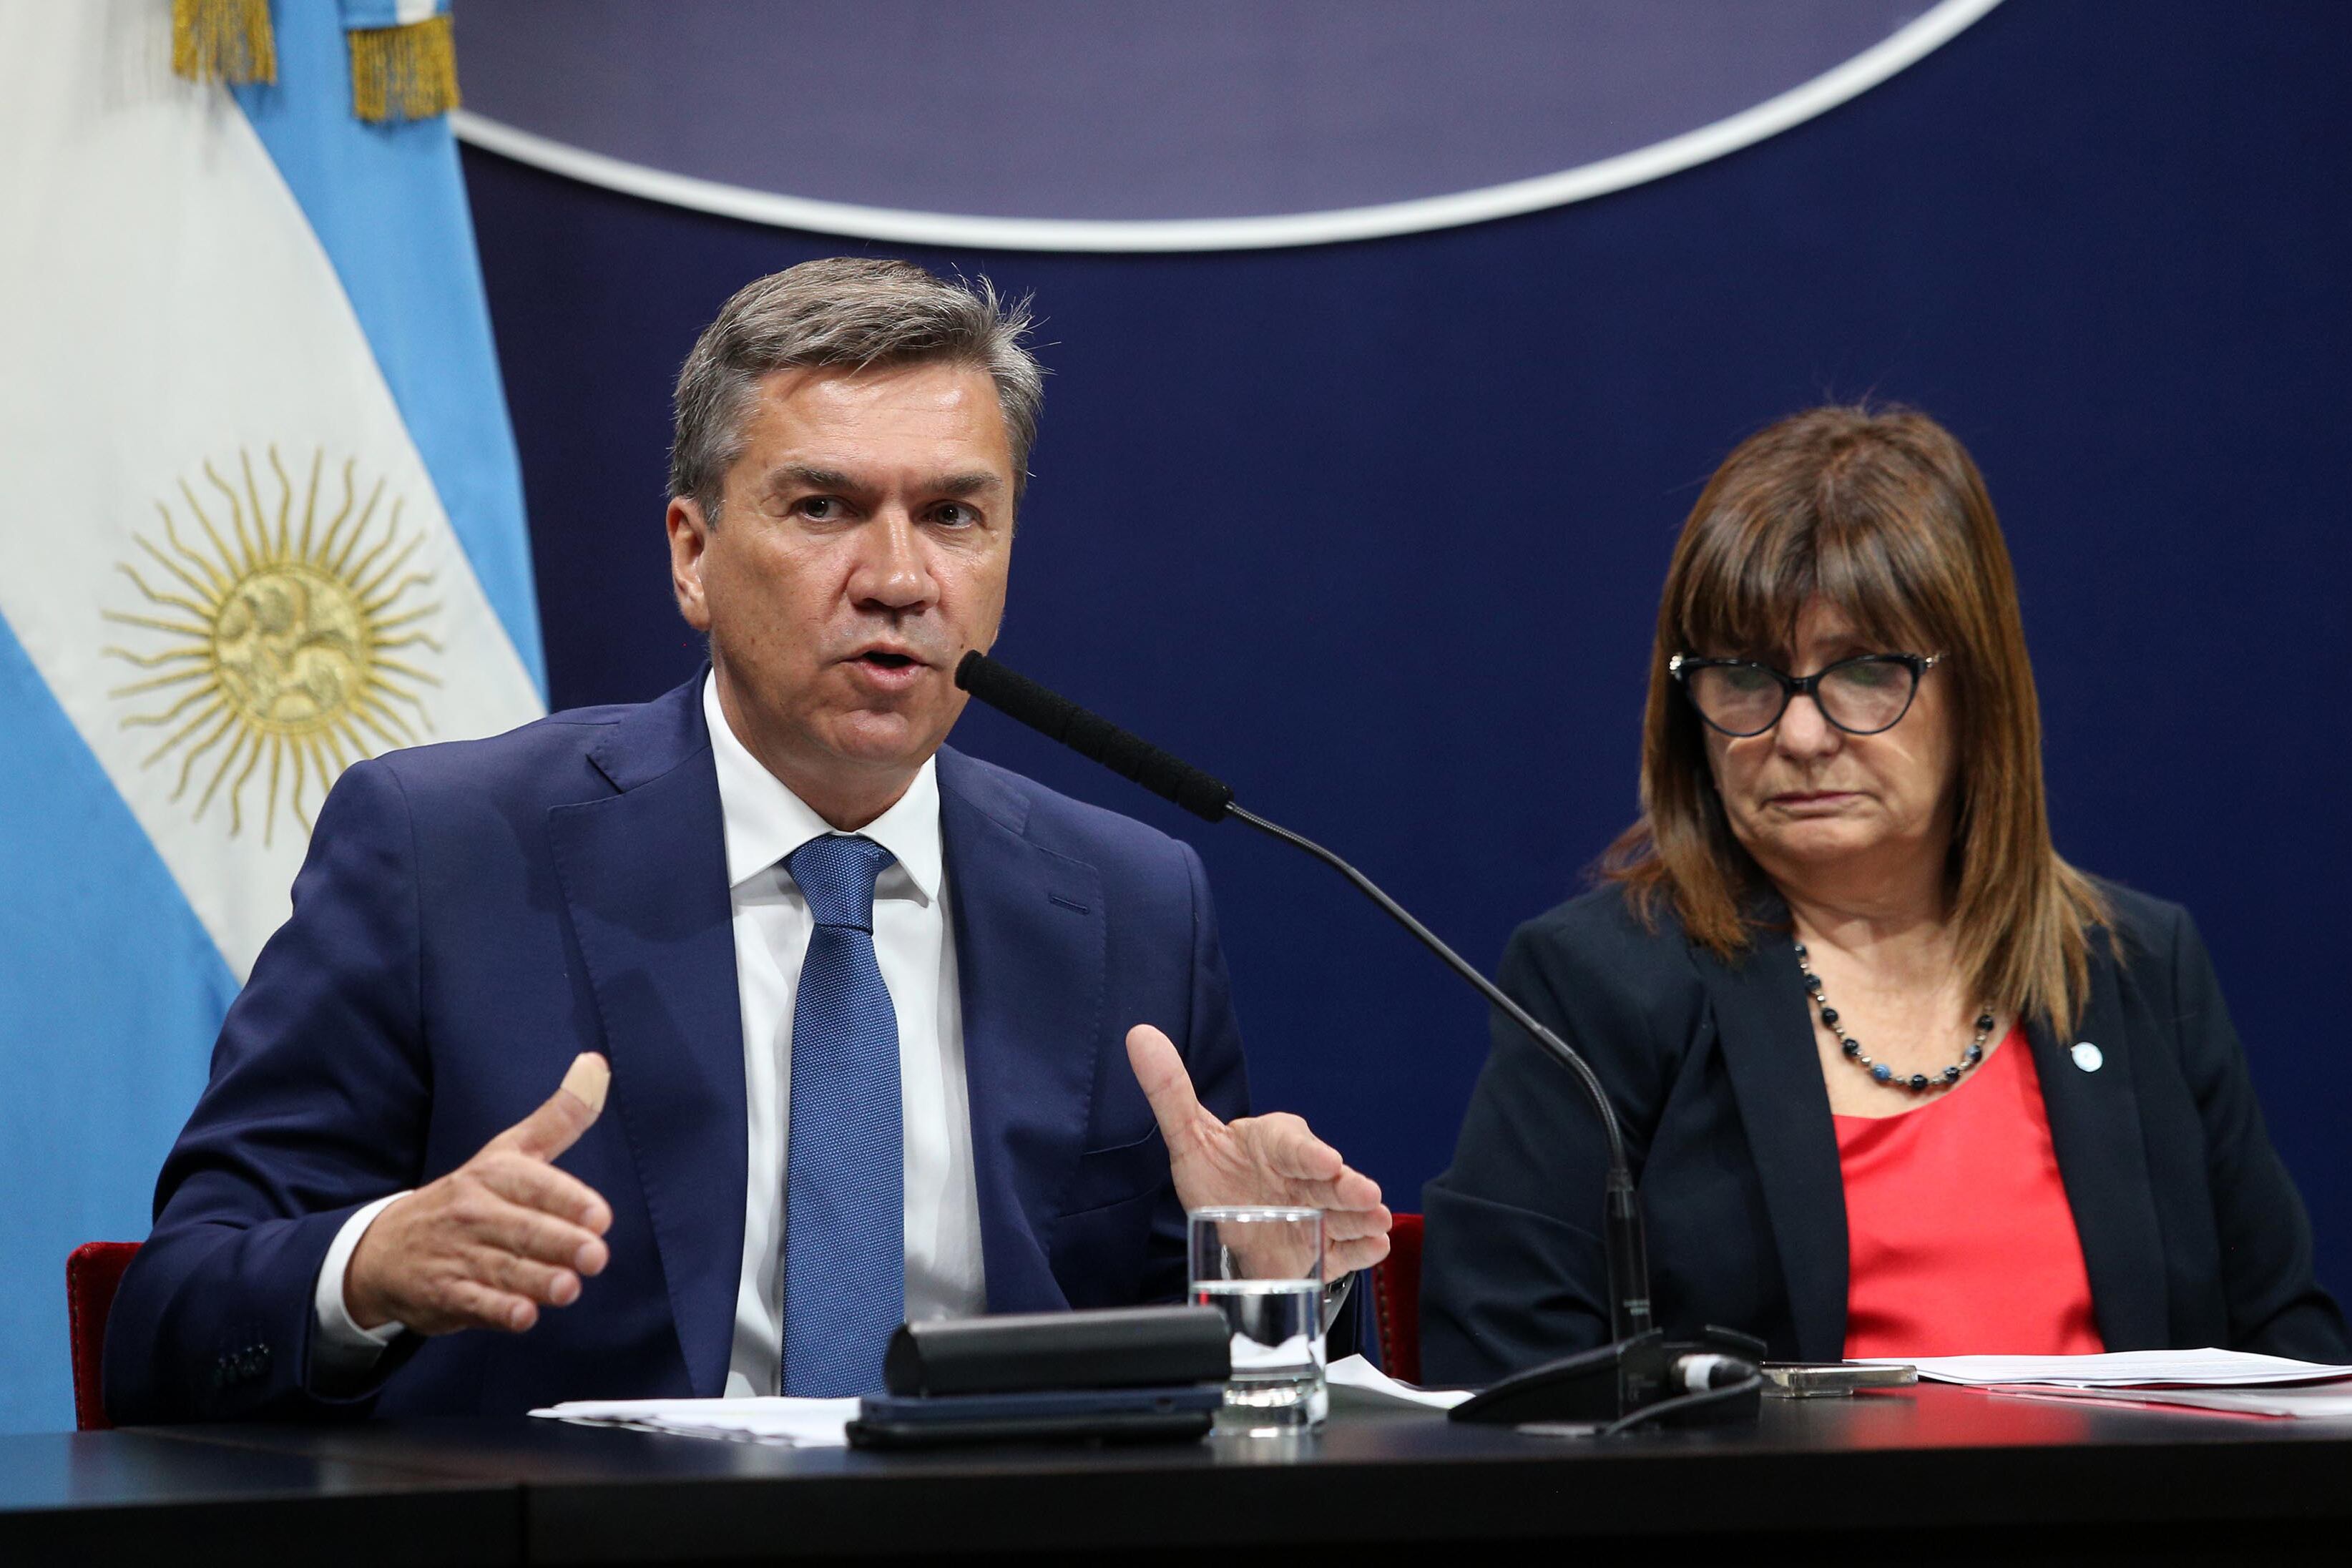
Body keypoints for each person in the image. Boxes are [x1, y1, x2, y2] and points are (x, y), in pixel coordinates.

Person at [105, 258, 1390, 1422]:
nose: (899, 578)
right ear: (692, 555)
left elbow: (1196, 1384)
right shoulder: (443, 852)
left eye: (954, 515)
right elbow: (173, 1317)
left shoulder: (1130, 894)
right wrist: (376, 1264)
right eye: (825, 507)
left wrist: (1275, 1280)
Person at [1420, 406, 2345, 1385]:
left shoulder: (2139, 967)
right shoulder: (1600, 985)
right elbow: (1503, 1372)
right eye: (1744, 676)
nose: (1804, 735)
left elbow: (2288, 1361)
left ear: (1977, 690)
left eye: (1865, 673)